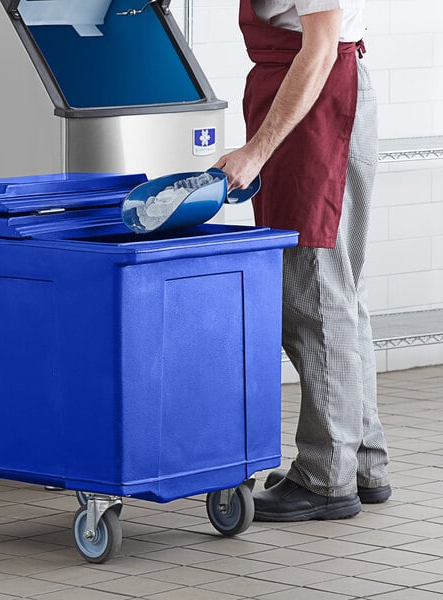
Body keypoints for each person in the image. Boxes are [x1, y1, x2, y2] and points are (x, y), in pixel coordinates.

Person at [214, 0, 391, 521]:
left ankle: (325, 478)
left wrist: (256, 150)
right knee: (340, 296)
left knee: (314, 300)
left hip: (318, 105)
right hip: (317, 98)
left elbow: (317, 50)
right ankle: (362, 463)